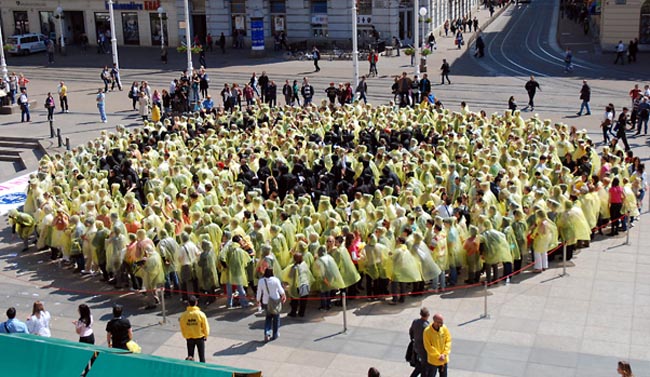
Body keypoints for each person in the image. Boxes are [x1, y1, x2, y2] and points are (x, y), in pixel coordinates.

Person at [256, 268, 286, 341]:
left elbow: (259, 292)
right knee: (276, 318)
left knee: (268, 318)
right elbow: (280, 290)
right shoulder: (276, 280)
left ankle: (267, 333)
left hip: (266, 301)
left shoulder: (261, 281)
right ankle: (275, 334)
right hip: (275, 301)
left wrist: (258, 300)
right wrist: (283, 296)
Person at [179, 295, 210, 363]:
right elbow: (205, 326)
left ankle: (190, 369)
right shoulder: (201, 314)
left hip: (189, 338)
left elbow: (182, 326)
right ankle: (202, 369)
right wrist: (206, 335)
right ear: (196, 302)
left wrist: (185, 335)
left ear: (188, 303)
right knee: (202, 357)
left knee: (190, 356)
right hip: (200, 337)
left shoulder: (184, 315)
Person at [409, 307, 430, 377]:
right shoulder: (427, 327)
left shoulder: (415, 321)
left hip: (416, 347)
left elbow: (411, 332)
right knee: (424, 367)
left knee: (419, 366)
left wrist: (413, 340)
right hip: (424, 350)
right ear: (428, 315)